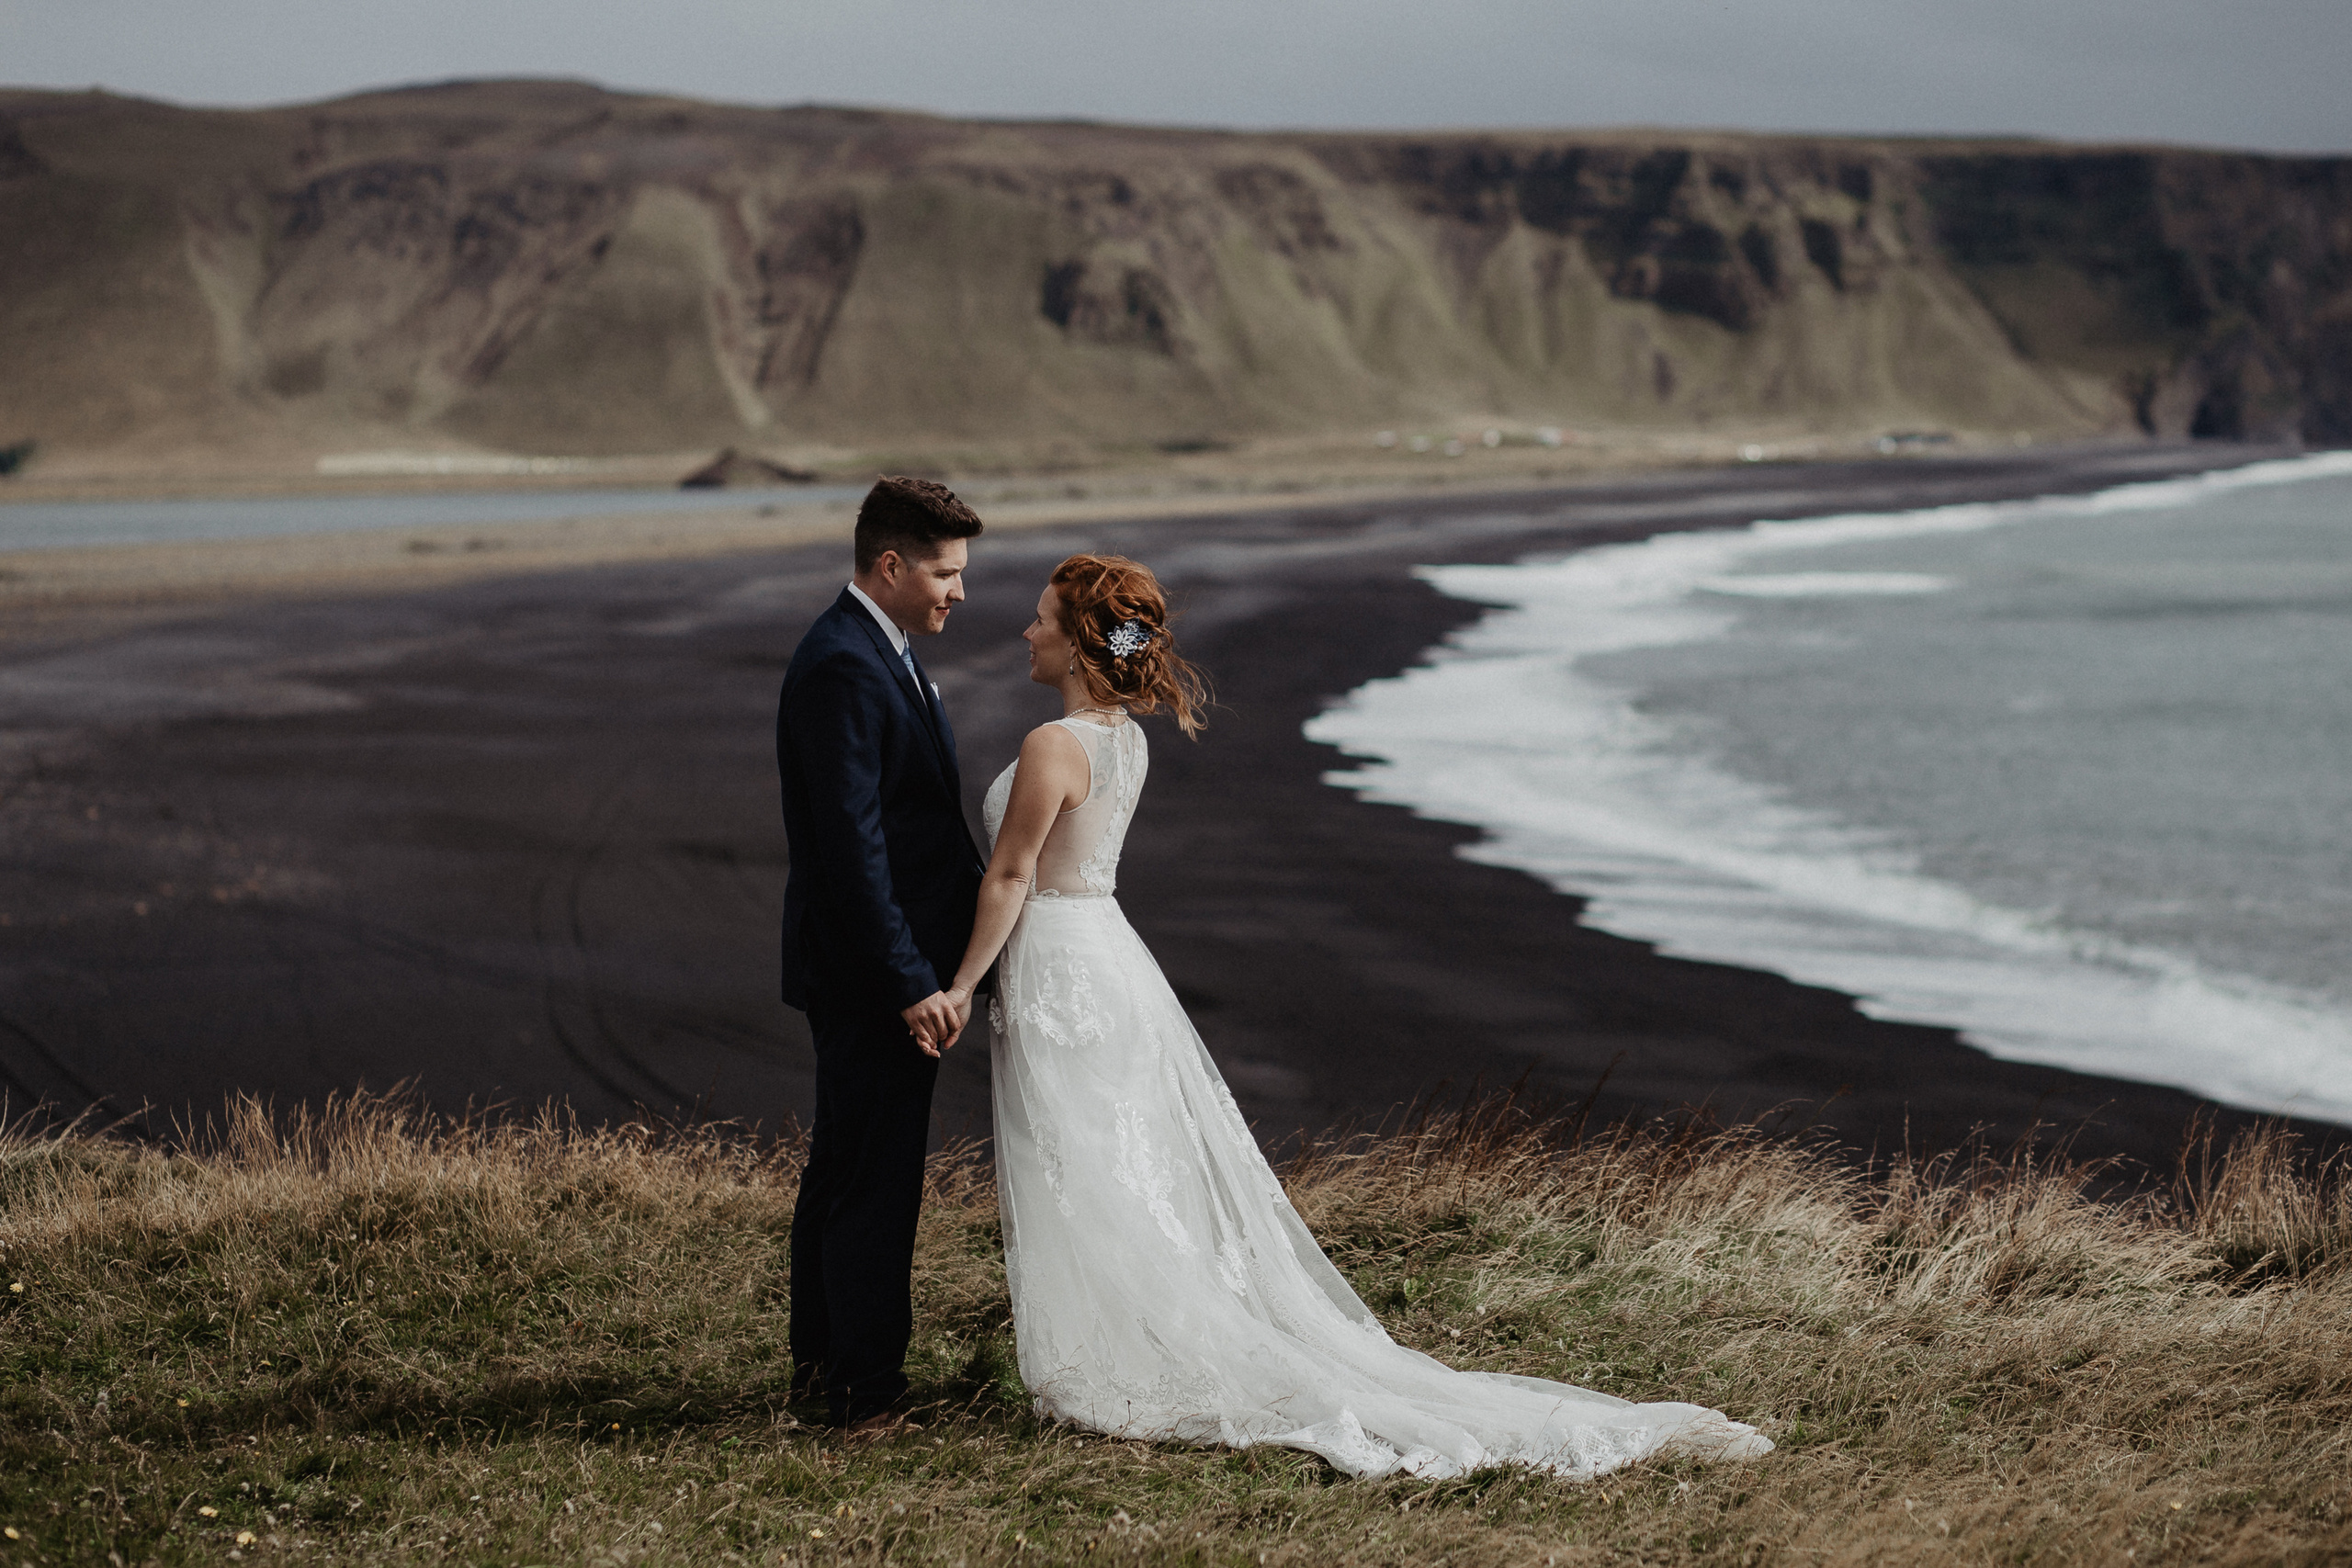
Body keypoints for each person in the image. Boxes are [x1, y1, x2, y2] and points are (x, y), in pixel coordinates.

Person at [927, 553, 1774, 1479]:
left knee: (1082, 1158)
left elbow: (1011, 876)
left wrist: (962, 985)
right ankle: (1111, 1341)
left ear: (1081, 639)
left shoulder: (1056, 745)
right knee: (1112, 1159)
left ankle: (1111, 1354)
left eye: (1042, 618)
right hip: (1107, 955)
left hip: (1066, 969)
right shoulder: (1124, 739)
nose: (1026, 631)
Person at [775, 476, 987, 1432]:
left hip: (872, 965)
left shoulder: (880, 648)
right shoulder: (843, 666)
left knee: (845, 1168)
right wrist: (910, 983)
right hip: (871, 975)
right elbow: (850, 849)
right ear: (891, 565)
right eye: (945, 573)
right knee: (874, 1184)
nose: (959, 592)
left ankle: (823, 1370)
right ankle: (866, 1398)